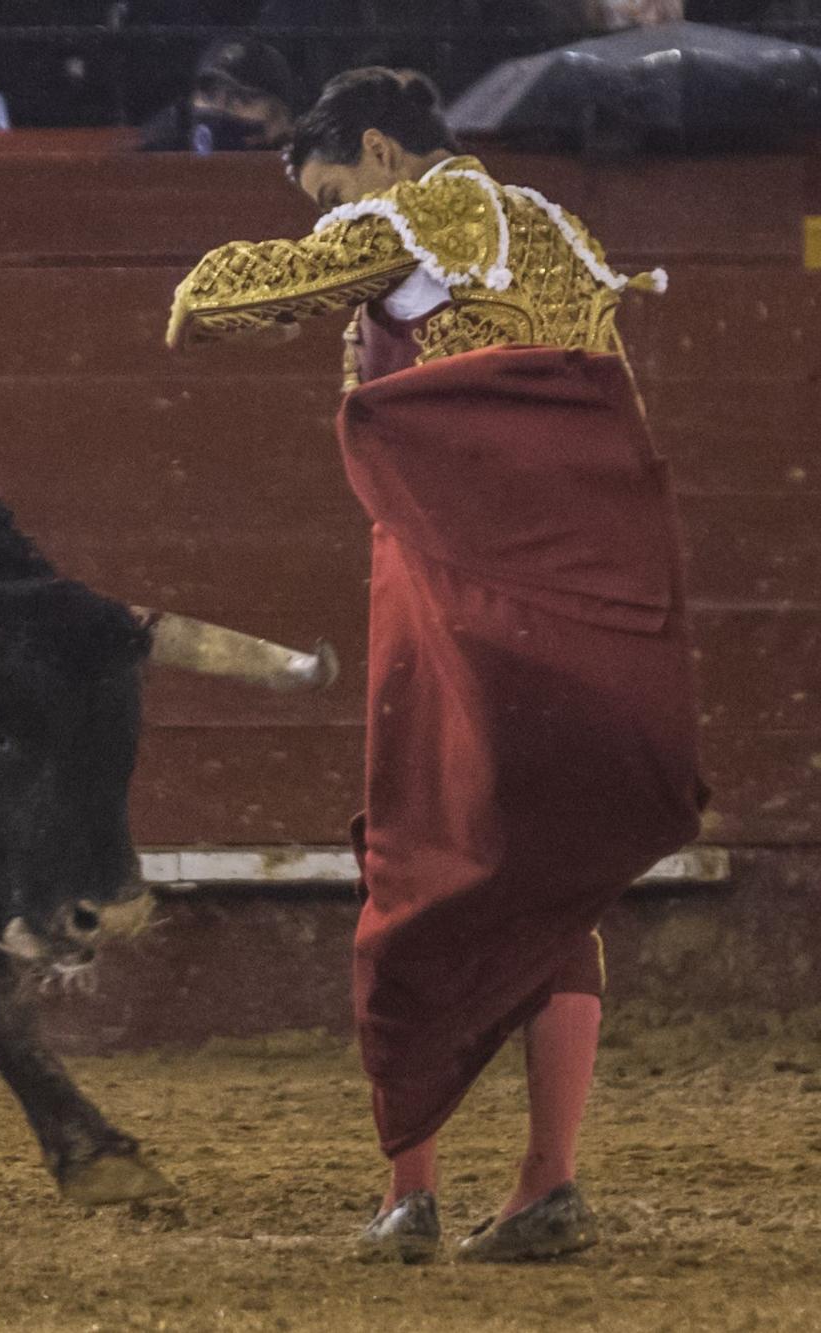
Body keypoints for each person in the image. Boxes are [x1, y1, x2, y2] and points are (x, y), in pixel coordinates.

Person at [167, 67, 705, 1263]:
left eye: (331, 188)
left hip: (460, 588)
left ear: (382, 150)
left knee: (420, 852)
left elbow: (224, 295)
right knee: (542, 868)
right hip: (590, 593)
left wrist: (221, 285)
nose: (328, 217)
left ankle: (408, 1194)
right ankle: (545, 1182)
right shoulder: (562, 230)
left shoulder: (414, 214)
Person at [138, 34, 303, 152]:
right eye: (209, 95)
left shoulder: (306, 179)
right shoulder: (160, 161)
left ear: (282, 118)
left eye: (241, 99)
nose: (220, 107)